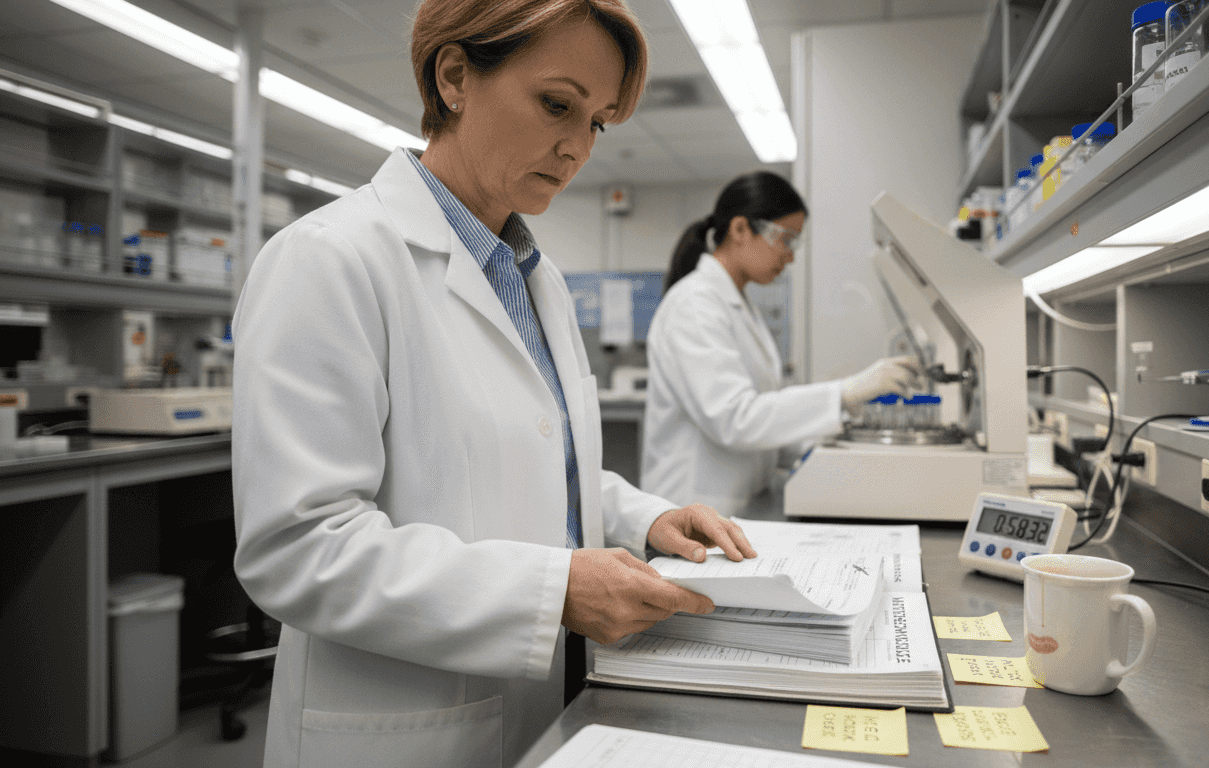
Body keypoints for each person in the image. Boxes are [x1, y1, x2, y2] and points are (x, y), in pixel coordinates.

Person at [230, 2, 756, 767]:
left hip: (546, 709)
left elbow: (538, 463)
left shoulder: (533, 277)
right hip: (401, 730)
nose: (578, 147)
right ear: (454, 78)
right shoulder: (328, 259)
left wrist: (644, 518)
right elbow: (299, 547)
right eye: (556, 104)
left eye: (598, 123)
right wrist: (552, 592)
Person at [642, 172, 920, 516]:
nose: (790, 257)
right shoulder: (693, 306)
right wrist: (842, 393)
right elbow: (734, 420)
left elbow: (765, 419)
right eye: (786, 239)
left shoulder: (740, 307)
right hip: (690, 512)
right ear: (740, 229)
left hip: (733, 509)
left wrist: (844, 429)